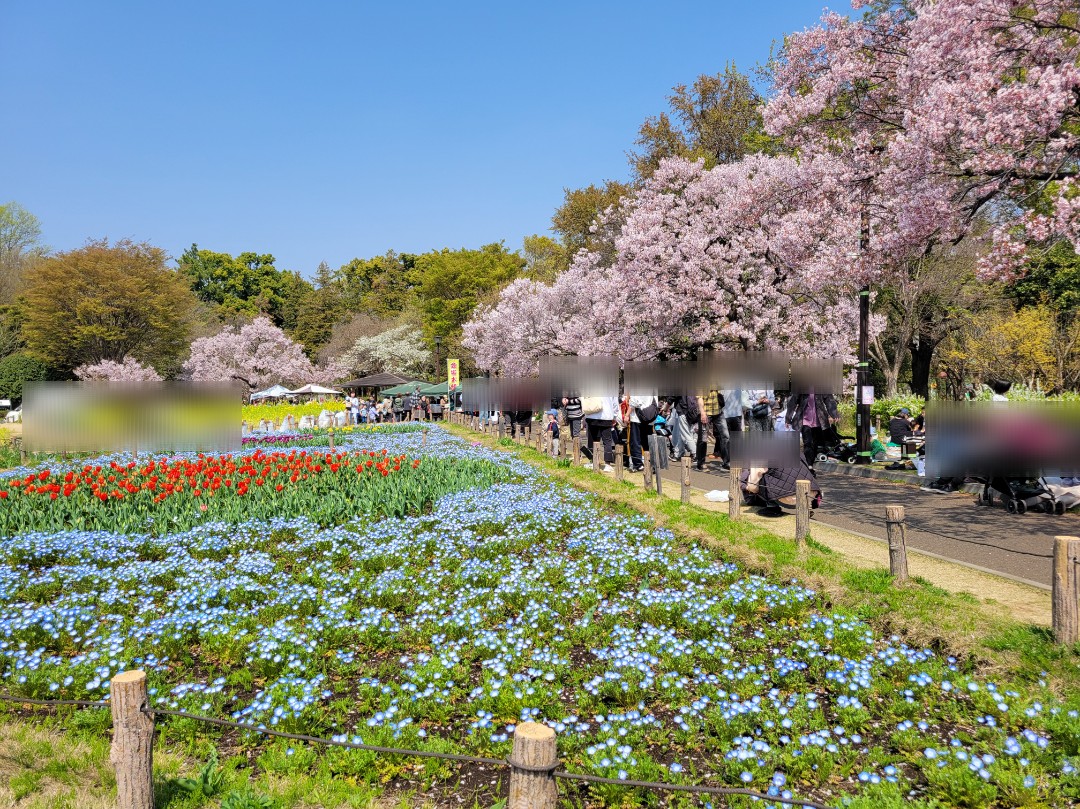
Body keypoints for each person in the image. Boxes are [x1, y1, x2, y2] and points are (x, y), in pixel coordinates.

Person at [785, 388, 840, 469]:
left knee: (816, 444)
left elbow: (829, 400)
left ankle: (811, 463)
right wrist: (788, 418)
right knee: (808, 443)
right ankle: (809, 466)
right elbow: (792, 402)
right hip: (804, 420)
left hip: (819, 420)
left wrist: (834, 414)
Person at [583, 395, 618, 471]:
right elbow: (615, 403)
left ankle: (593, 461)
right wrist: (615, 416)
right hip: (606, 415)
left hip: (592, 415)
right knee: (607, 441)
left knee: (593, 440)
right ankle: (607, 464)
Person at [626, 391, 657, 473]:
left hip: (637, 417)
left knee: (635, 442)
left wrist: (627, 414)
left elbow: (634, 402)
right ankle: (653, 464)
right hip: (649, 417)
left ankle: (638, 464)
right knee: (648, 442)